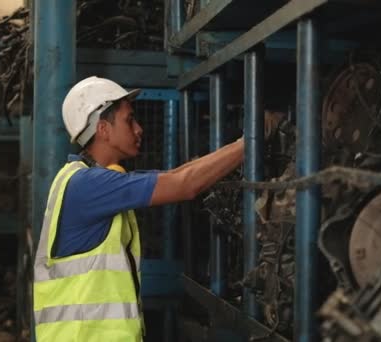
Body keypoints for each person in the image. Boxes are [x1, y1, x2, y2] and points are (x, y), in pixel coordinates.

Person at [33, 76, 285, 342]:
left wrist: (237, 146)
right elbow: (184, 184)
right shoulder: (90, 185)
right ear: (104, 129)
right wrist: (251, 142)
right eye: (129, 120)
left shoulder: (86, 180)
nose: (139, 129)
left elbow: (175, 175)